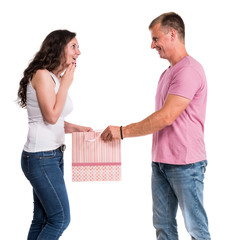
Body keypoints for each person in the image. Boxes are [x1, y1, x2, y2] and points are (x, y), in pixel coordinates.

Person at [101, 12, 211, 240]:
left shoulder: (189, 70)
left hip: (186, 164)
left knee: (196, 229)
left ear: (172, 34)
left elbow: (166, 117)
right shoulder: (168, 72)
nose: (152, 45)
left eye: (155, 38)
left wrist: (122, 132)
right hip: (161, 163)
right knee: (163, 227)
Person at [18, 30, 92, 240]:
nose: (79, 52)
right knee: (60, 219)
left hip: (51, 157)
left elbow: (55, 119)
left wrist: (78, 129)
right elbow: (51, 117)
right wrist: (67, 84)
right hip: (41, 157)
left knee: (42, 219)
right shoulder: (42, 75)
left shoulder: (54, 78)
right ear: (59, 48)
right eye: (73, 47)